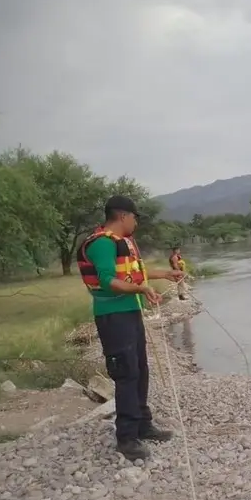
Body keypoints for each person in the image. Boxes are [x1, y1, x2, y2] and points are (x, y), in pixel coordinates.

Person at [78, 195, 187, 460]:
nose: (136, 223)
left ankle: (143, 424)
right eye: (135, 217)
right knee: (126, 373)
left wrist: (164, 274)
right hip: (113, 316)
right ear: (123, 216)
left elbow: (134, 272)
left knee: (140, 369)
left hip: (130, 312)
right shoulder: (102, 243)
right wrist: (141, 288)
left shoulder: (123, 243)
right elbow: (107, 281)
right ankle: (126, 438)